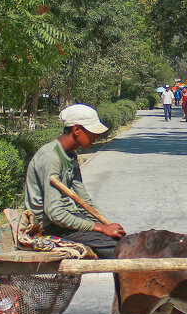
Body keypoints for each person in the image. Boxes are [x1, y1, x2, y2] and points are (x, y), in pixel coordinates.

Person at [22, 104, 126, 258]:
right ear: (77, 130)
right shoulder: (51, 157)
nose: (96, 137)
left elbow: (84, 201)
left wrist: (106, 225)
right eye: (92, 133)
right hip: (48, 227)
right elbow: (55, 214)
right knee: (116, 250)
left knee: (120, 241)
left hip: (67, 220)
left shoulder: (70, 156)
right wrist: (100, 228)